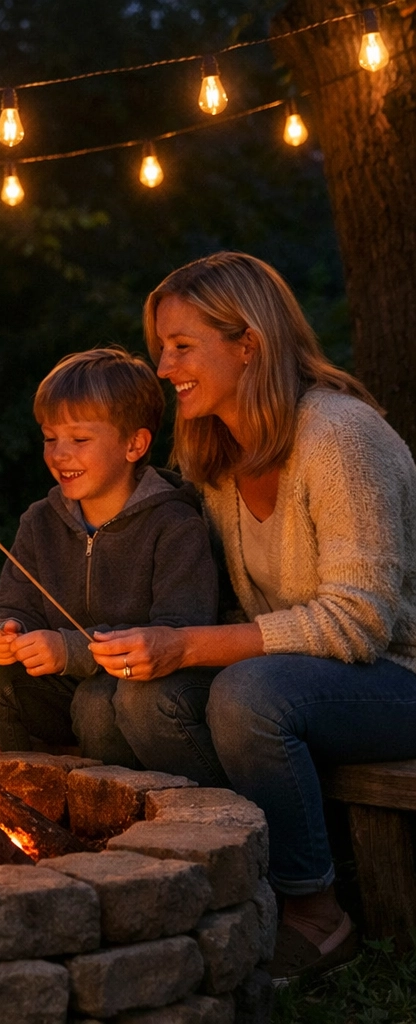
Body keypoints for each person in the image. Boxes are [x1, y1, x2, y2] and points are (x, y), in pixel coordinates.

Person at [88, 251, 416, 984]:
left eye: (182, 346)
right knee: (140, 701)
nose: (164, 366)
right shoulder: (220, 451)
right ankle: (239, 883)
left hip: (399, 674)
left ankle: (317, 914)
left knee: (249, 697)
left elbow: (360, 623)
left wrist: (191, 645)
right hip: (310, 676)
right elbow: (243, 607)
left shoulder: (338, 435)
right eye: (160, 347)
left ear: (249, 343)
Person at [0, 347, 221, 769]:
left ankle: (118, 813)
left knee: (97, 705)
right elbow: (14, 601)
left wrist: (72, 648)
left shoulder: (174, 524)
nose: (60, 454)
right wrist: (6, 630)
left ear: (134, 444)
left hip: (145, 687)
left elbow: (179, 629)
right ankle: (16, 803)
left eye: (79, 439)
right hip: (62, 684)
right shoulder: (41, 521)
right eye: (50, 438)